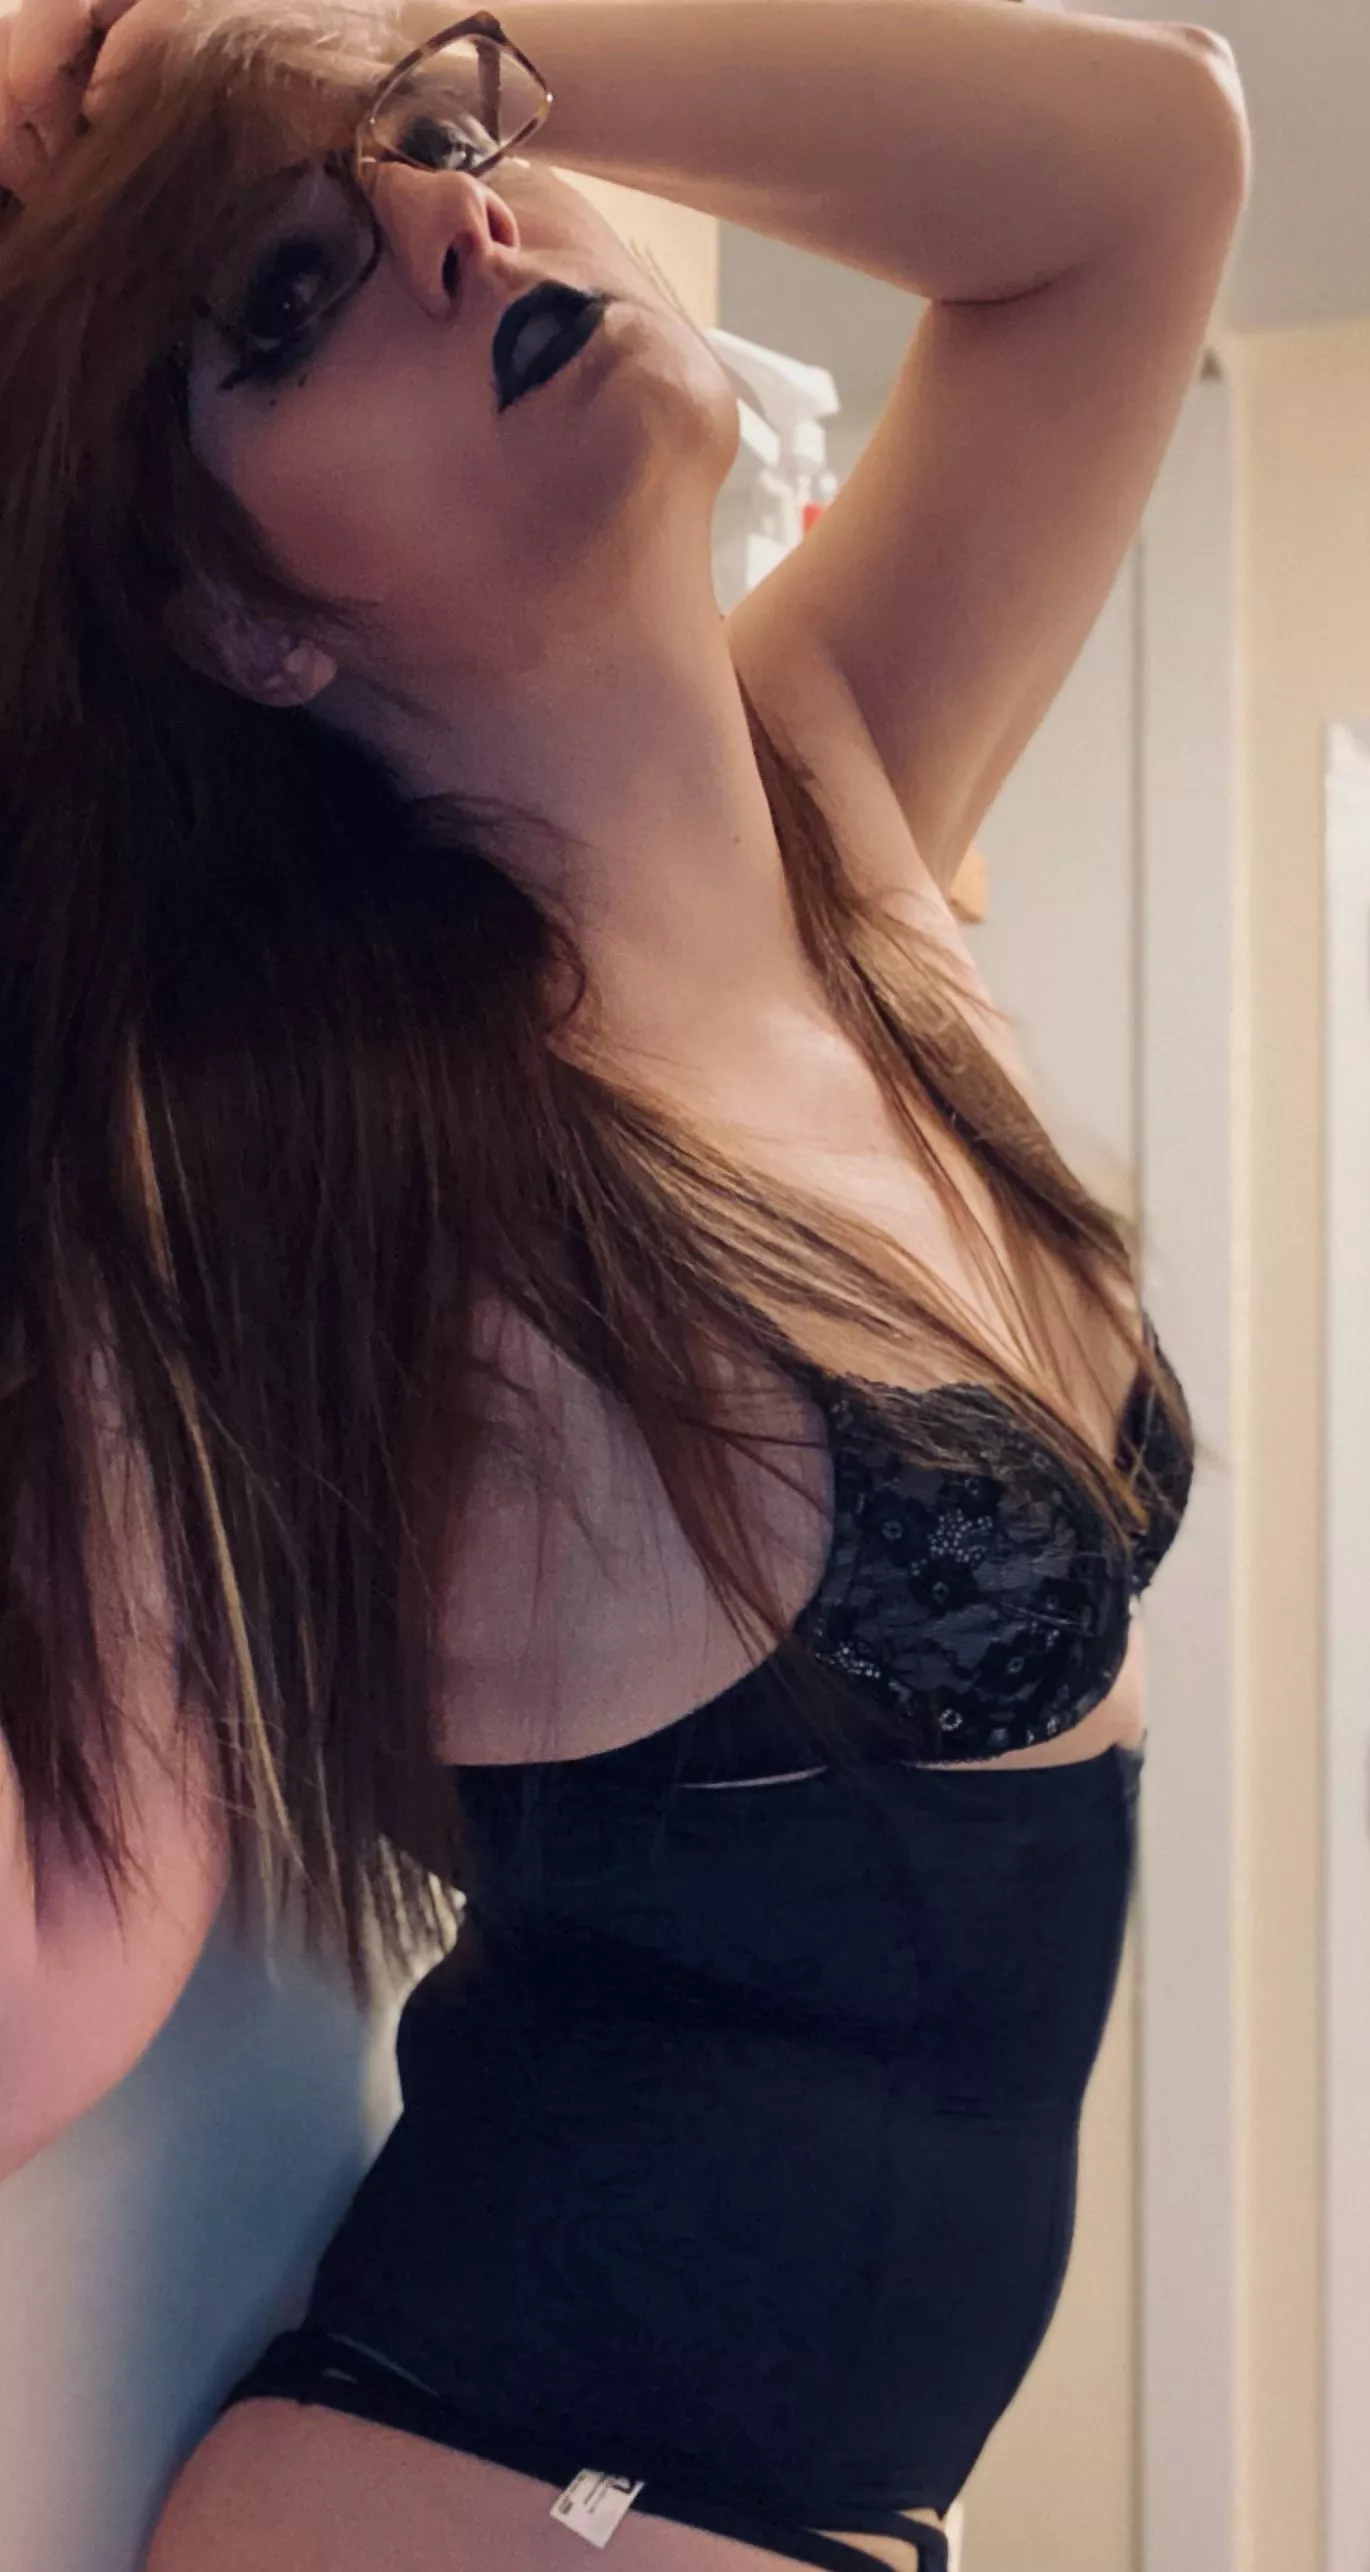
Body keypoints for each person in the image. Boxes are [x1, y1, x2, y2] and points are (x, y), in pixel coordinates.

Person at [0, 0, 1247, 2563]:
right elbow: (56, 1956)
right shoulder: (321, 1162)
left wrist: (382, 33)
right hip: (492, 2499)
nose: (458, 223)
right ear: (235, 620)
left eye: (450, 151)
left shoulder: (849, 810)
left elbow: (1146, 165)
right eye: (294, 296)